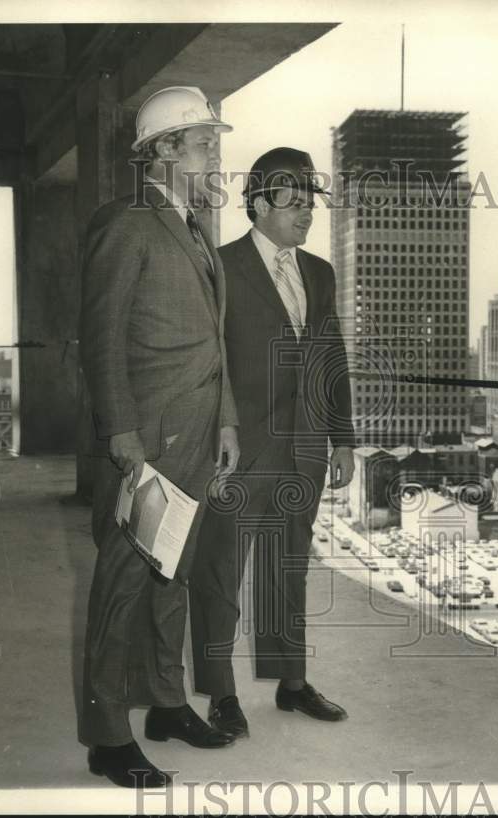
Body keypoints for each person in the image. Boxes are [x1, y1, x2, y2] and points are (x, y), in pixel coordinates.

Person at [78, 86, 240, 788]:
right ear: (165, 151)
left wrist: (228, 418)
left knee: (173, 576)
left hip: (202, 432)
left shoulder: (196, 229)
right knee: (124, 584)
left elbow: (215, 341)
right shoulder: (128, 224)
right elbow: (101, 340)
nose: (217, 155)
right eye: (205, 143)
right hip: (148, 437)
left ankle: (168, 704)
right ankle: (108, 736)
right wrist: (121, 433)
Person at [189, 148, 357, 738]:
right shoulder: (220, 266)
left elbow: (331, 355)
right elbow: (207, 359)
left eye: (311, 203)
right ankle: (220, 694)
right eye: (294, 203)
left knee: (287, 568)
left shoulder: (320, 272)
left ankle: (290, 682)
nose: (307, 214)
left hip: (305, 447)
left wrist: (343, 438)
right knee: (222, 570)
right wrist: (220, 430)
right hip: (240, 444)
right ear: (260, 204)